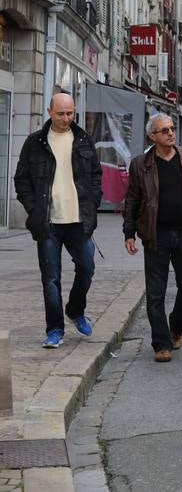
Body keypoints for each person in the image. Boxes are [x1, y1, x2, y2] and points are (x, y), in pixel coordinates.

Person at [14, 92, 103, 348]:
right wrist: (33, 209)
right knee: (51, 278)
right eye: (61, 113)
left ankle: (75, 310)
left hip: (79, 221)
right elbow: (22, 181)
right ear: (49, 111)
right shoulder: (34, 143)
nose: (66, 119)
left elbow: (96, 175)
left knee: (87, 267)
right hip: (49, 222)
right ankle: (54, 330)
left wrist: (93, 203)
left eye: (70, 113)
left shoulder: (84, 140)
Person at [123, 113, 182, 363]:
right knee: (156, 292)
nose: (171, 133)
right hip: (155, 234)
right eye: (165, 130)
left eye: (172, 129)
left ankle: (176, 327)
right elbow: (132, 199)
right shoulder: (141, 164)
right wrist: (129, 233)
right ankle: (161, 343)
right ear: (152, 136)